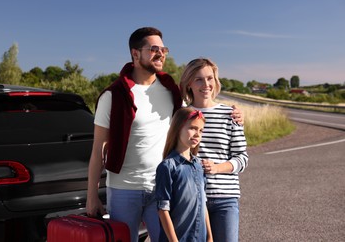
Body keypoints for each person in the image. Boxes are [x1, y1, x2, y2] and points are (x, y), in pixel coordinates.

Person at [86, 27, 243, 242]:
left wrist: (233, 112)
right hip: (124, 189)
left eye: (163, 49)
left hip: (163, 186)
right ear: (135, 53)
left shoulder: (171, 92)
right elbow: (97, 150)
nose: (161, 54)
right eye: (153, 49)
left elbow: (197, 111)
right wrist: (92, 196)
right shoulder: (113, 96)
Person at [179, 58, 249, 242]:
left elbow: (242, 158)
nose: (206, 84)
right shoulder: (181, 115)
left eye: (210, 78)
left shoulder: (230, 115)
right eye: (199, 79)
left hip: (224, 199)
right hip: (190, 198)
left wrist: (217, 168)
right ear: (189, 84)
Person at [155, 107, 213, 242]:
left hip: (200, 238)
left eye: (201, 130)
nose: (197, 134)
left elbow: (202, 203)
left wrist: (209, 236)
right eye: (192, 128)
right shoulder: (167, 167)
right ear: (177, 128)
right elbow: (163, 210)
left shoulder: (199, 165)